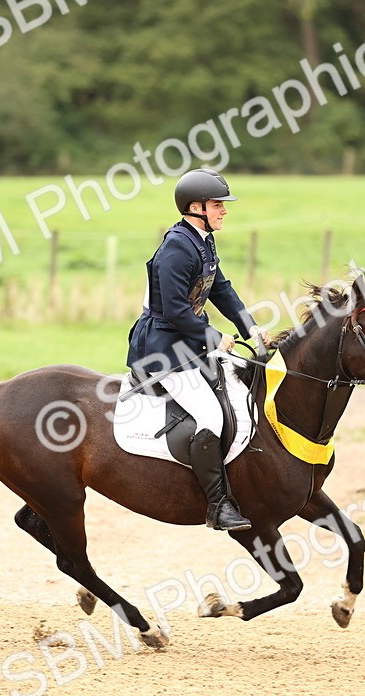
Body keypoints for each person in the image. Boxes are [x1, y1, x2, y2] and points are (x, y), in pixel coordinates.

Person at [126, 168, 271, 532]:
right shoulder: (177, 246)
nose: (224, 210)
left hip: (187, 341)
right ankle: (218, 506)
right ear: (196, 207)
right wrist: (212, 336)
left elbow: (221, 290)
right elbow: (175, 309)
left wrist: (250, 329)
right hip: (162, 349)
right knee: (210, 415)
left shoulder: (202, 240)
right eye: (218, 204)